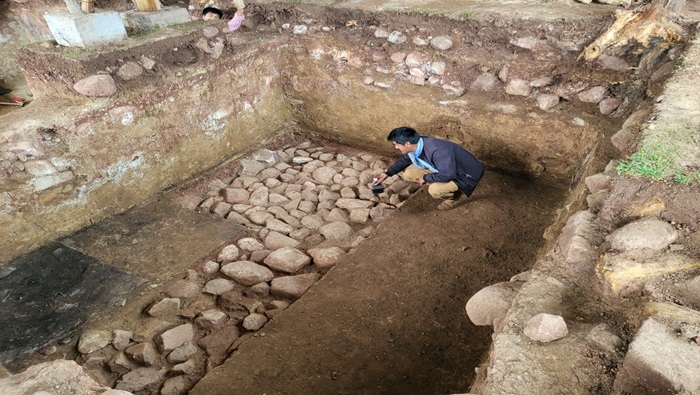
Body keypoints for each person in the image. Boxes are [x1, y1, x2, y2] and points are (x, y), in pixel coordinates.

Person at [374, 126, 484, 211]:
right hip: (443, 168)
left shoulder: (437, 151)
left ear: (407, 143)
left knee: (434, 190)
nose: (396, 147)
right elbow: (404, 160)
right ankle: (442, 184)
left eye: (396, 144)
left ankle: (456, 197)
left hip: (465, 174)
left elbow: (448, 174)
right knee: (409, 174)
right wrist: (387, 174)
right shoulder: (418, 144)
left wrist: (426, 177)